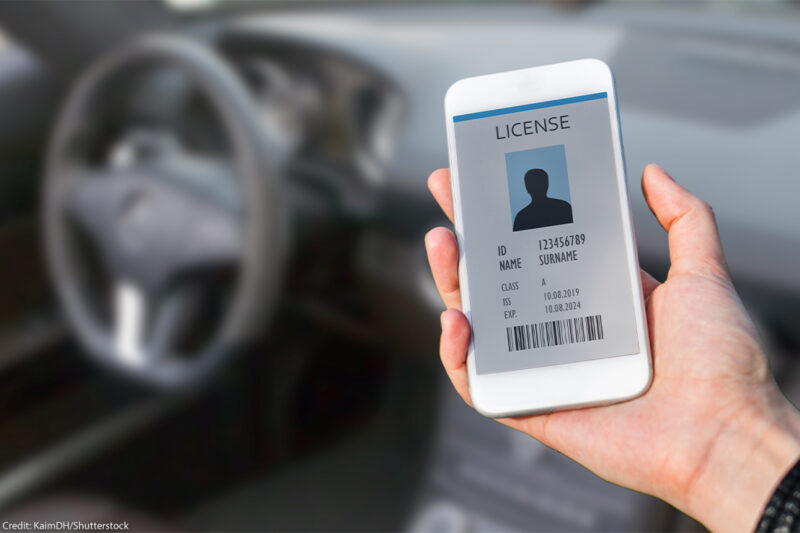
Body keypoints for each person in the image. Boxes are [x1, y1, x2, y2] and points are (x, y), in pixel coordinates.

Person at [424, 164, 800, 532]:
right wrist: (733, 443)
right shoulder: (548, 212)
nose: (536, 188)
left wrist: (726, 437)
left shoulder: (536, 213)